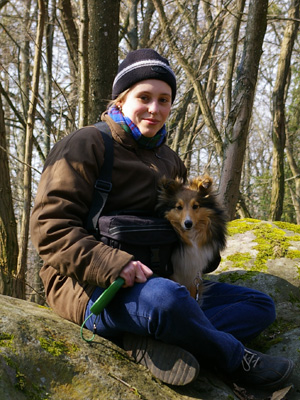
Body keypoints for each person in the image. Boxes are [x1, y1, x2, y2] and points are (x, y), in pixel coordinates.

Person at [30, 48, 294, 388]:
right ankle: (234, 358)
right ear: (121, 99)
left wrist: (202, 247)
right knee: (166, 302)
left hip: (162, 277)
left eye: (164, 100)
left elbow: (183, 231)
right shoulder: (87, 145)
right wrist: (114, 264)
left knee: (258, 305)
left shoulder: (169, 159)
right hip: (92, 286)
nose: (155, 109)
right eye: (144, 97)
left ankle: (154, 339)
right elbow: (49, 229)